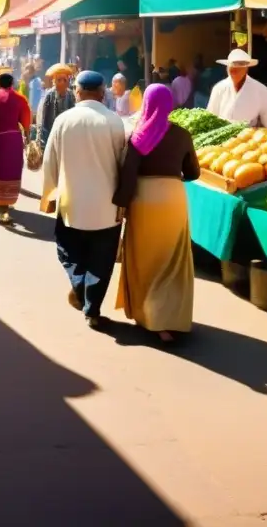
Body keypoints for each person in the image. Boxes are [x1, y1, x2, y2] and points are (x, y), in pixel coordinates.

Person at [113, 85, 199, 343]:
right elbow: (194, 173)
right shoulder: (183, 135)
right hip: (173, 198)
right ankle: (171, 318)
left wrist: (121, 205)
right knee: (172, 259)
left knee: (145, 260)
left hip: (144, 200)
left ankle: (150, 317)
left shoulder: (138, 136)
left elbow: (128, 175)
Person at [42, 71, 126, 328]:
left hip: (71, 204)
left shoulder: (63, 120)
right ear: (103, 92)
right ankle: (92, 310)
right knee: (102, 261)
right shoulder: (114, 121)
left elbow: (50, 161)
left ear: (77, 92)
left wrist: (49, 194)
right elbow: (123, 164)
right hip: (106, 206)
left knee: (69, 252)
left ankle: (79, 286)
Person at [0, 73, 32, 224]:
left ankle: (2, 206)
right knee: (12, 169)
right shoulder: (20, 98)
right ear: (12, 83)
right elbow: (26, 120)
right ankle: (6, 203)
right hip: (15, 139)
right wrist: (27, 136)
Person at [206, 49, 267, 129]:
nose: (234, 70)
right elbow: (210, 118)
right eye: (232, 67)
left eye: (239, 67)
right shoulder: (219, 88)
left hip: (247, 138)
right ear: (227, 68)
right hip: (221, 138)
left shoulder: (261, 91)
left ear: (246, 68)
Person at [36, 64, 76, 149]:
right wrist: (42, 143)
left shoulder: (70, 95)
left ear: (68, 82)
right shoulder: (49, 96)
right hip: (50, 136)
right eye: (59, 80)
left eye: (64, 80)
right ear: (54, 82)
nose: (62, 83)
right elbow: (43, 122)